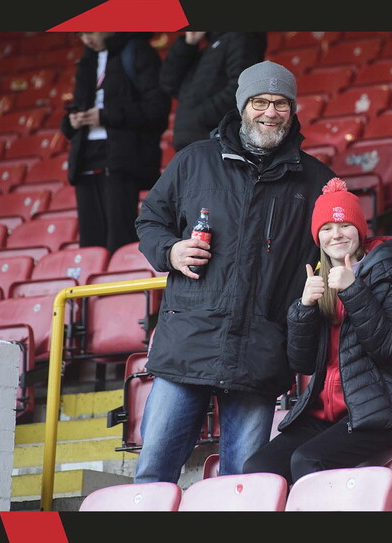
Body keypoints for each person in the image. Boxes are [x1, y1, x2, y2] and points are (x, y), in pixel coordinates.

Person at [132, 60, 339, 483]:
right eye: (260, 102)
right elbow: (150, 220)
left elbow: (345, 243)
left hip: (262, 350)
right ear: (242, 105)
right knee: (152, 476)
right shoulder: (194, 161)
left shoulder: (317, 179)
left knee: (242, 486)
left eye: (281, 103)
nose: (270, 112)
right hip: (188, 341)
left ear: (293, 109)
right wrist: (170, 252)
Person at [242, 178, 392, 484]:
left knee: (308, 461)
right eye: (326, 228)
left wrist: (354, 291)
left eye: (344, 225)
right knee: (258, 469)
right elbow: (301, 363)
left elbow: (391, 348)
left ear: (359, 230)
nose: (336, 235)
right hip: (325, 415)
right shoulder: (318, 277)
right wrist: (303, 309)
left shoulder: (390, 273)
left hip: (381, 411)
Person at [61, 32, 170, 254]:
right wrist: (71, 121)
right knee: (90, 244)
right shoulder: (87, 61)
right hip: (85, 159)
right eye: (80, 34)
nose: (85, 39)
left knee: (120, 240)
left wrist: (105, 116)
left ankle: (122, 287)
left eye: (90, 31)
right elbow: (76, 107)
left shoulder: (138, 51)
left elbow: (157, 110)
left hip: (121, 157)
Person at [160, 31, 267, 151]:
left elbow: (241, 91)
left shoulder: (241, 37)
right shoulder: (208, 47)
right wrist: (188, 44)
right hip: (192, 142)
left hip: (215, 141)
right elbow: (169, 84)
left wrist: (198, 117)